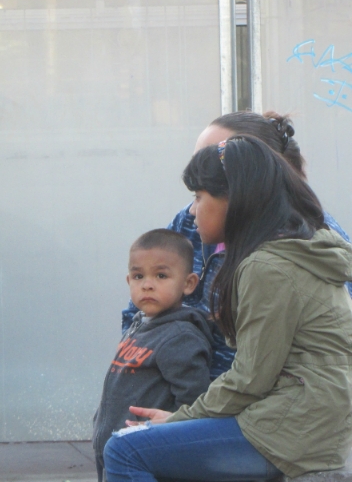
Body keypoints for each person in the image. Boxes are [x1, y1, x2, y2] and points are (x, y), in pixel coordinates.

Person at [103, 136, 352, 482]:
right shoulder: (293, 249)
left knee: (124, 450)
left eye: (199, 197)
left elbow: (251, 378)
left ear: (234, 201)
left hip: (289, 432)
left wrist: (179, 418)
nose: (192, 210)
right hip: (307, 423)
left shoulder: (269, 267)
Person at [122, 111, 352, 378]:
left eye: (216, 163)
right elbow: (139, 306)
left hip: (250, 405)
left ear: (255, 172)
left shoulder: (309, 243)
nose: (201, 173)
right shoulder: (190, 222)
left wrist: (197, 414)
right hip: (179, 396)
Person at [93, 229, 212, 482]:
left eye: (161, 275)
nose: (147, 284)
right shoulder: (139, 326)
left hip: (149, 459)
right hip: (118, 453)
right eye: (138, 276)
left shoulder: (180, 336)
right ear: (128, 281)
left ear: (188, 283)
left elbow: (195, 404)